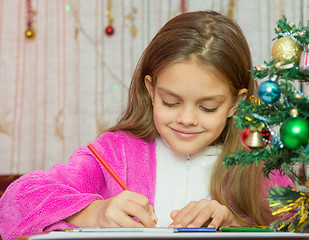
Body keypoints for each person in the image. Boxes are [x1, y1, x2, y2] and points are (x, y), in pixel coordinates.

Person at [0, 10, 293, 240]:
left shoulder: (258, 162)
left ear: (235, 103)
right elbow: (16, 202)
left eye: (208, 107)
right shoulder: (117, 153)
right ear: (151, 90)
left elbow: (304, 222)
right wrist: (96, 212)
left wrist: (233, 223)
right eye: (171, 102)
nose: (187, 119)